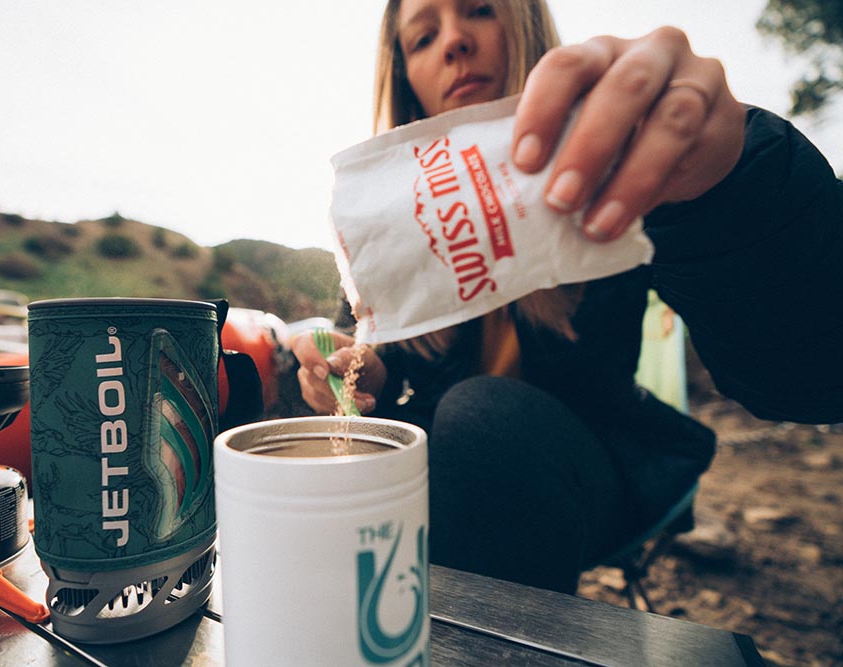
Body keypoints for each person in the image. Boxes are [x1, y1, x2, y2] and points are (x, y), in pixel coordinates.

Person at [291, 0, 843, 594]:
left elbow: (812, 375)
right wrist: (362, 365)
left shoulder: (618, 168)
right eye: (422, 38)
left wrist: (728, 183)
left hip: (584, 457)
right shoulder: (393, 227)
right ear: (404, 81)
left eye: (479, 10)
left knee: (483, 417)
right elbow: (377, 356)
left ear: (527, 27)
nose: (453, 42)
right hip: (442, 460)